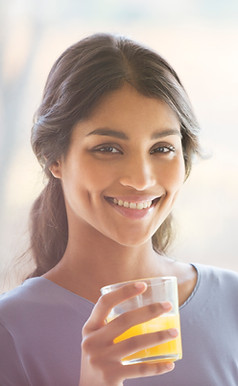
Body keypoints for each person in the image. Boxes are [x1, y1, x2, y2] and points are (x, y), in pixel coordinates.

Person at [0, 33, 238, 386]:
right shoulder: (11, 331)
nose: (141, 180)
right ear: (54, 158)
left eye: (162, 149)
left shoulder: (232, 303)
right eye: (108, 148)